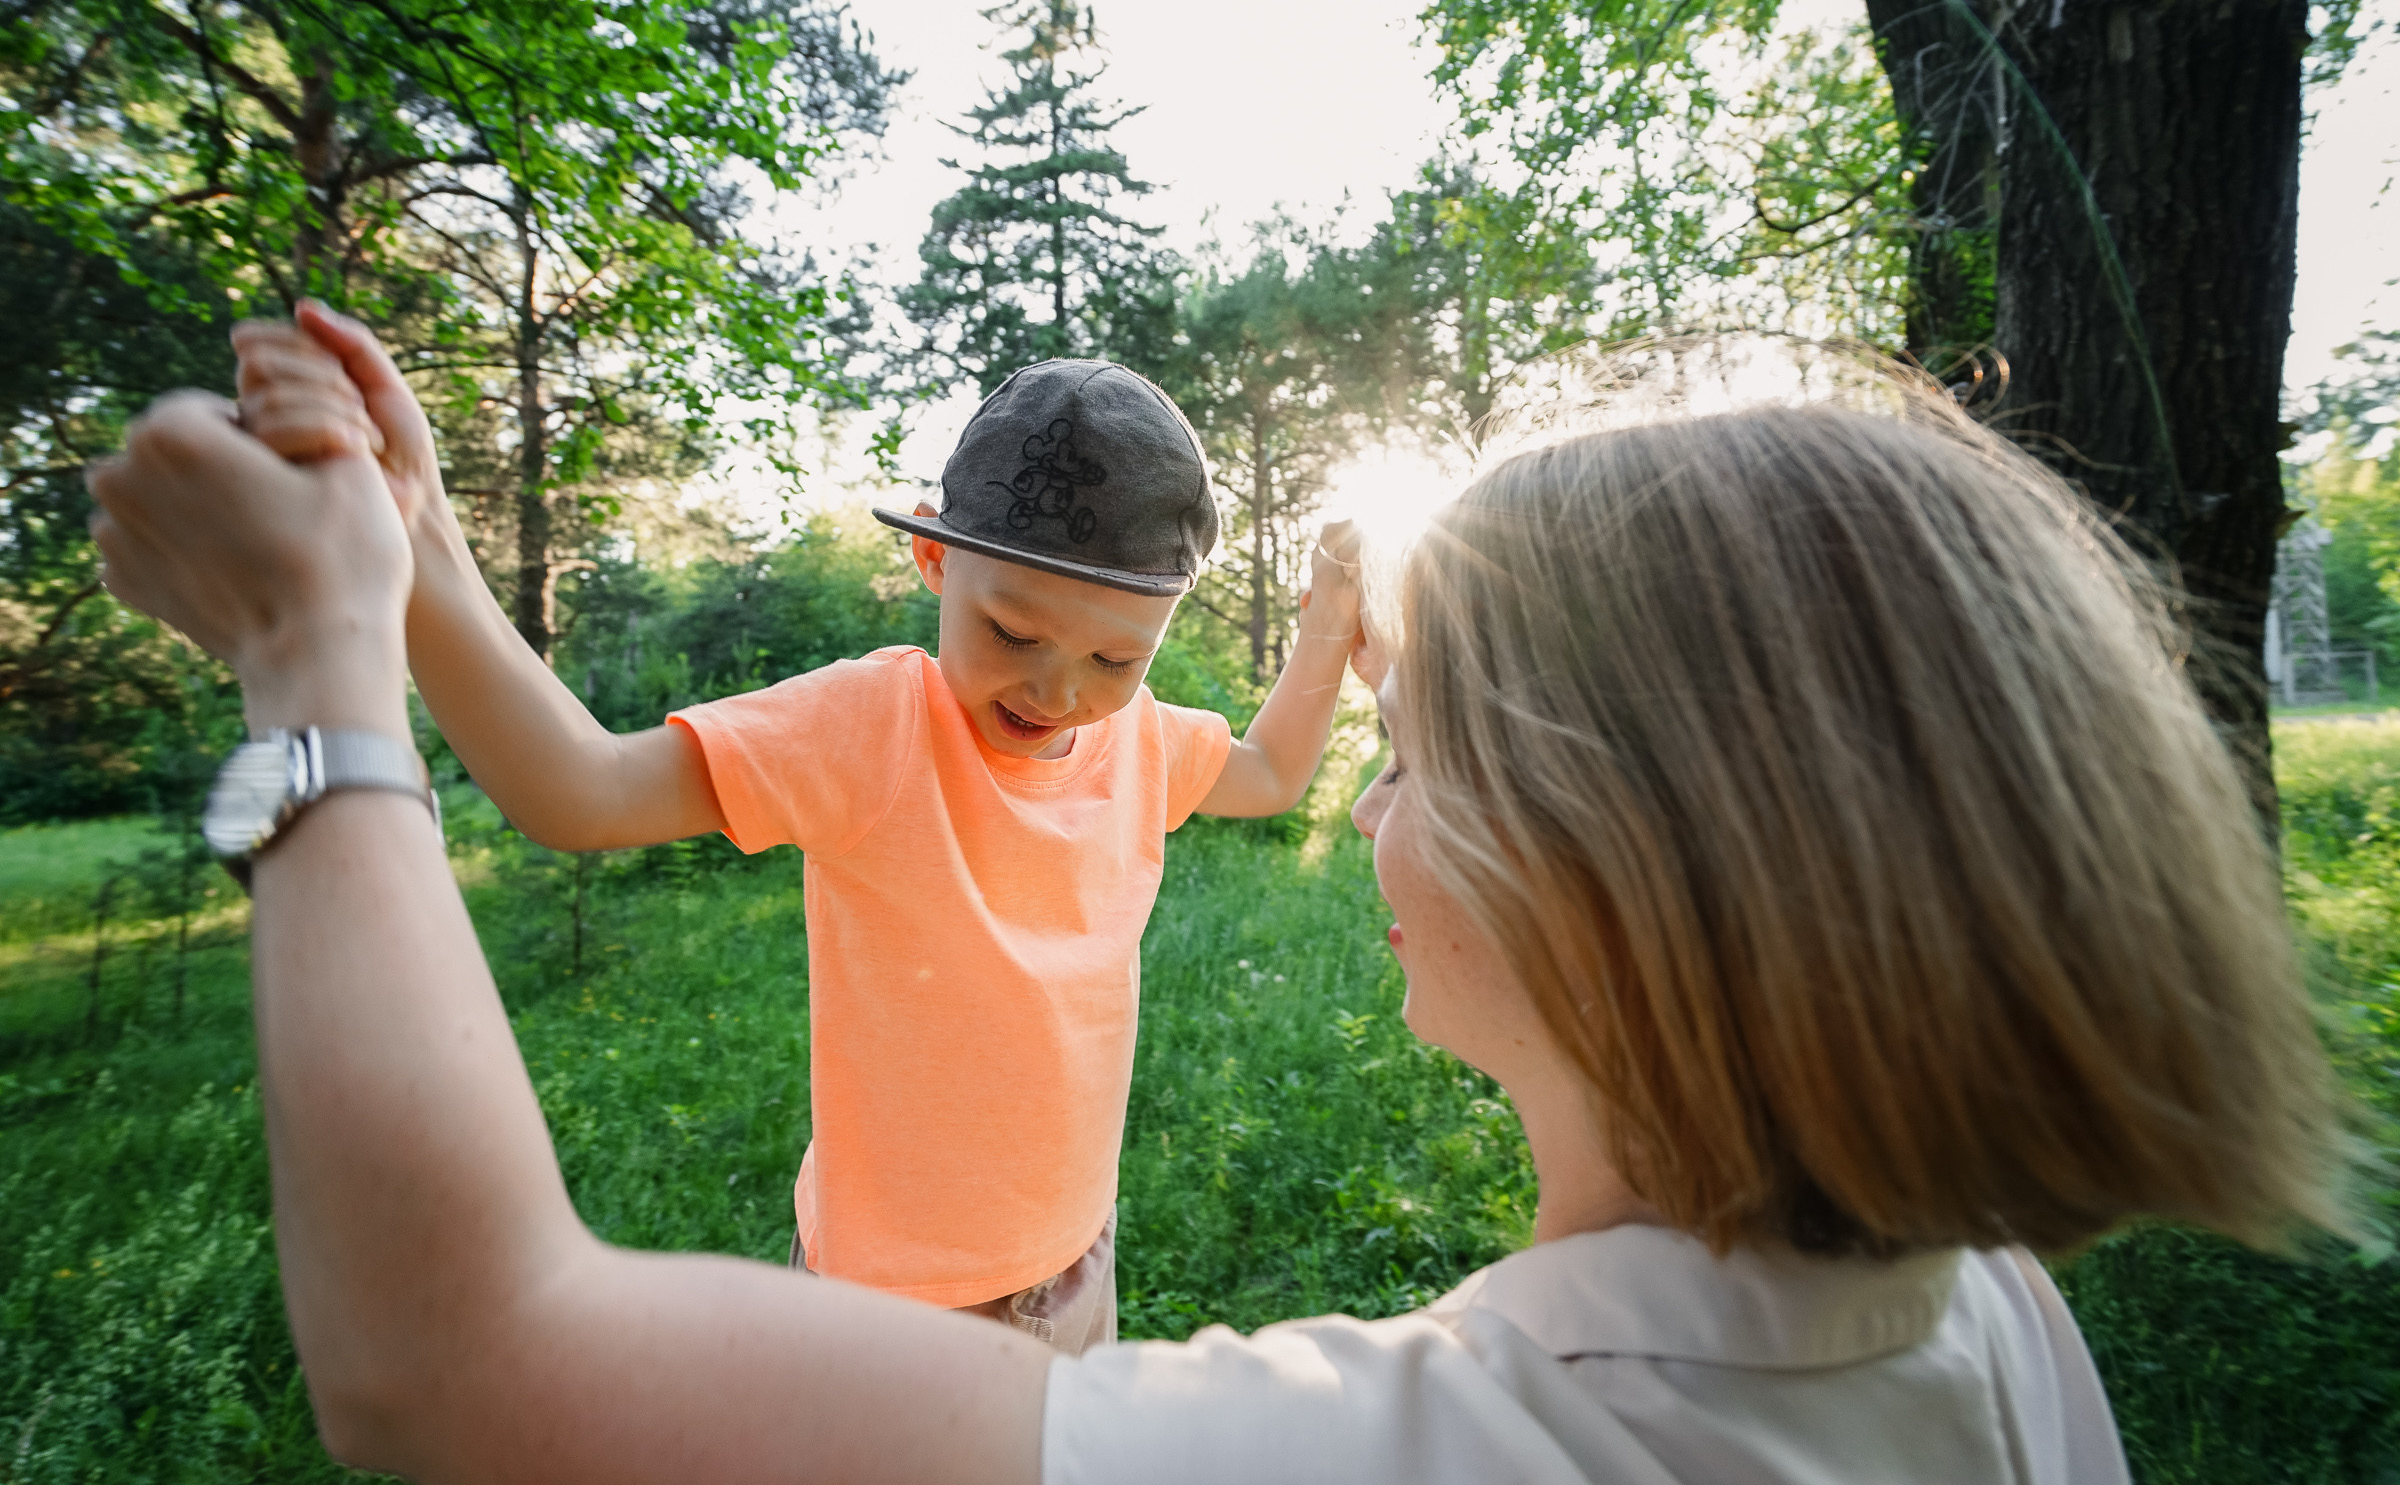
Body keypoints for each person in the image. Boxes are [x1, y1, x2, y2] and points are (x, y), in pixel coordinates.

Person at [87, 353, 2349, 1484]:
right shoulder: (2006, 1333)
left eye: (1425, 742)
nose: (1366, 783)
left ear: (1616, 867)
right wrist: (441, 577)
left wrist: (317, 663)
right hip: (895, 1288)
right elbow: (584, 783)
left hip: (1057, 1298)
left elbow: (458, 1357)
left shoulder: (1442, 1435)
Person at [224, 305, 1370, 1352]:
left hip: (1075, 1267)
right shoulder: (871, 727)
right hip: (890, 1314)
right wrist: (418, 529)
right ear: (933, 552)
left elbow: (1269, 771)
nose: (1060, 689)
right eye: (1014, 631)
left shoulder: (1140, 744)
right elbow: (576, 787)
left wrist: (1324, 628)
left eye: (1119, 658)